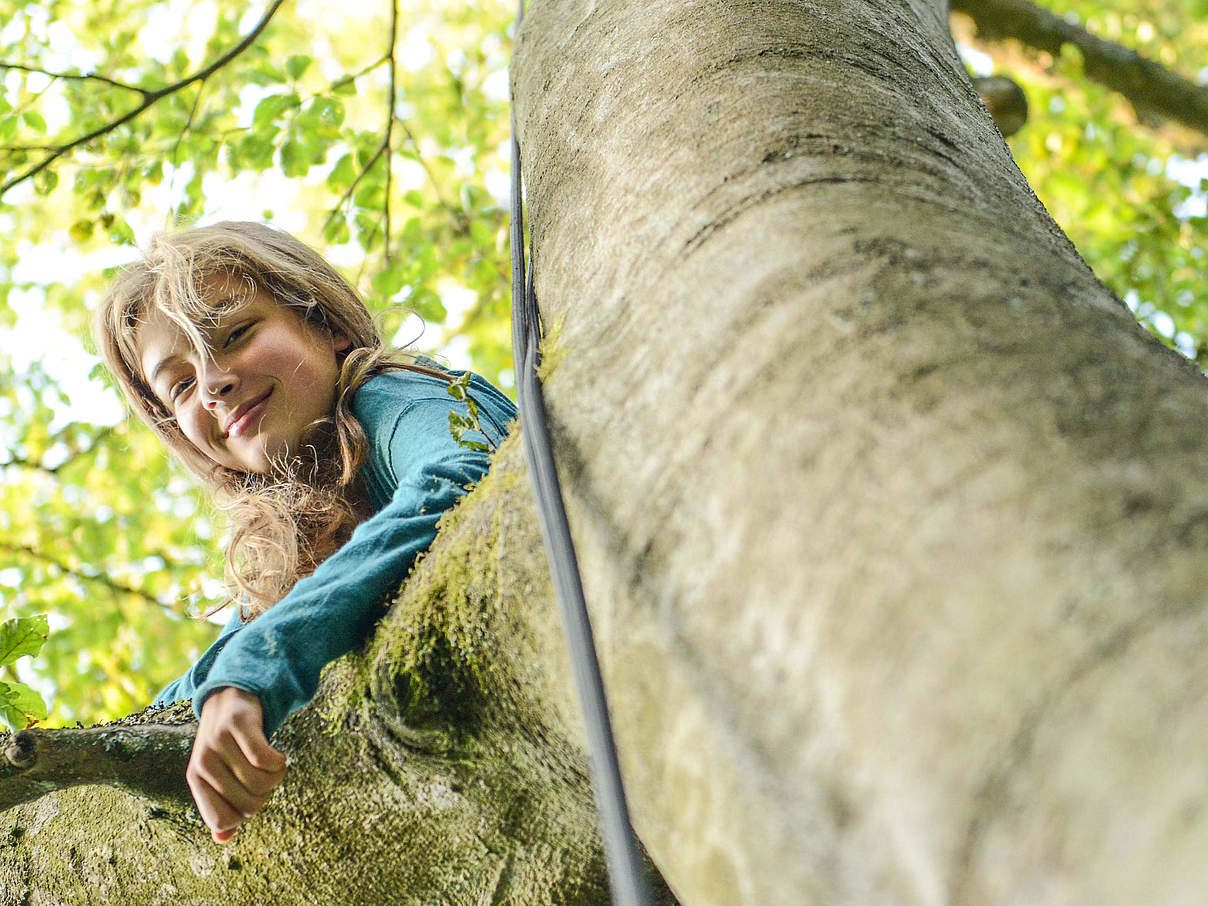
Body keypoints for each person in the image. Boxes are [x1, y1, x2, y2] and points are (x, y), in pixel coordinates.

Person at [94, 220, 515, 843]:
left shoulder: (397, 395)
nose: (212, 385)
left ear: (326, 323)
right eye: (179, 384)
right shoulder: (294, 542)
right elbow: (198, 685)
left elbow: (466, 474)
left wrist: (259, 665)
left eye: (235, 334)